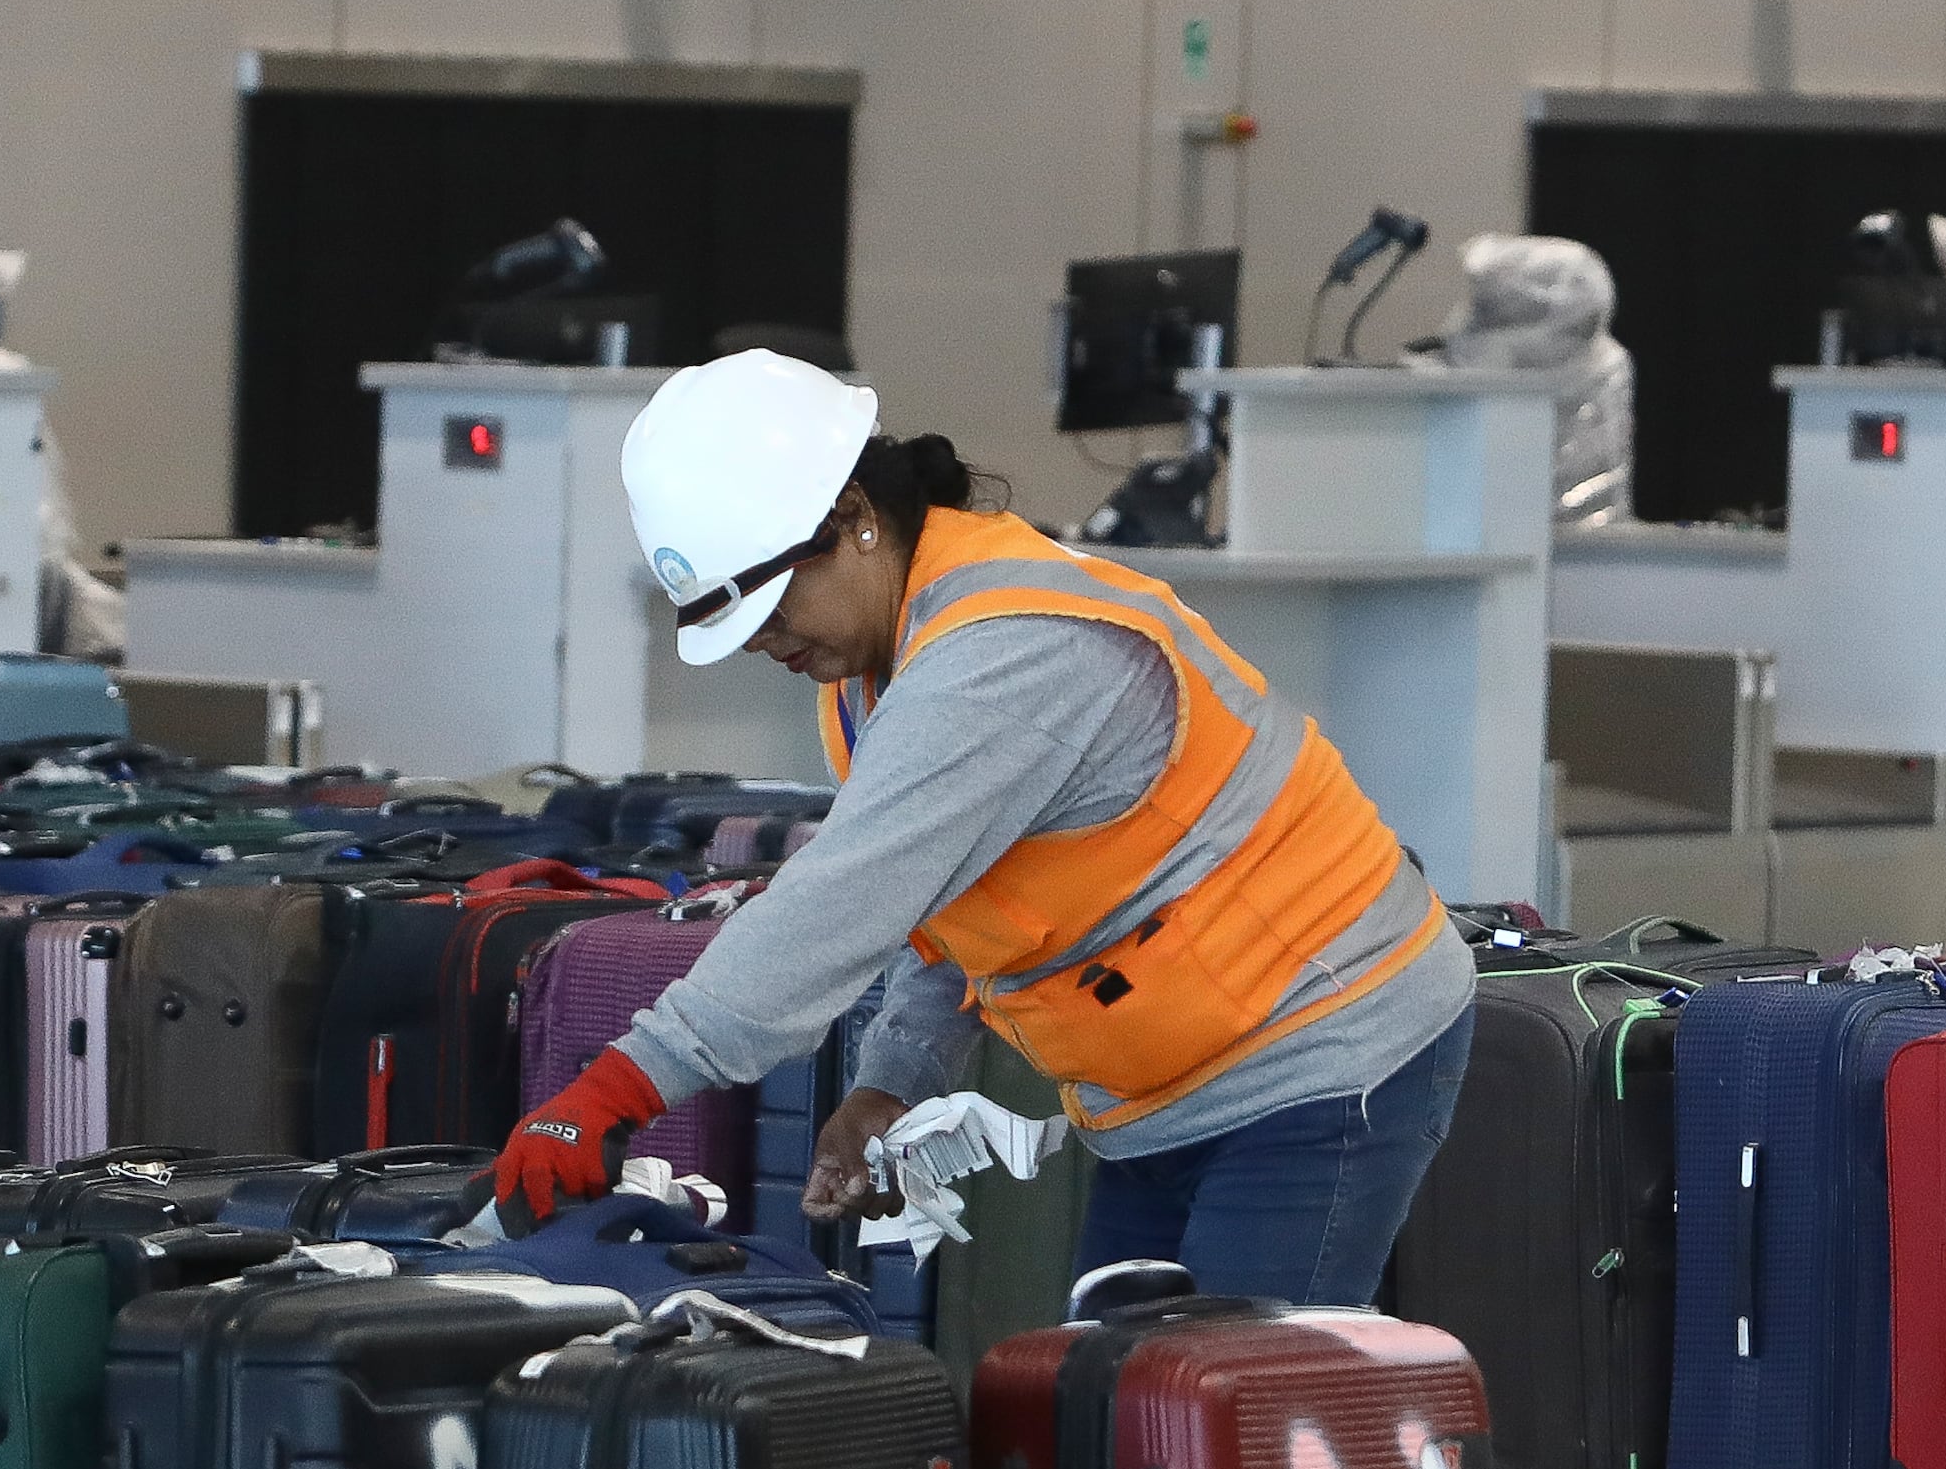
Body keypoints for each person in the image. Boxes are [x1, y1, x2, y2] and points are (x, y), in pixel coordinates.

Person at [489, 349, 1477, 1307]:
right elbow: (959, 892)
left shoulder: (1002, 653)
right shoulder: (882, 659)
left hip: (1323, 1046)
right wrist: (893, 1079)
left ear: (851, 519)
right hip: (1159, 1091)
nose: (762, 641)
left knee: (1230, 1433)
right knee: (1115, 1418)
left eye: (766, 603)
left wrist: (616, 1090)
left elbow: (837, 905)